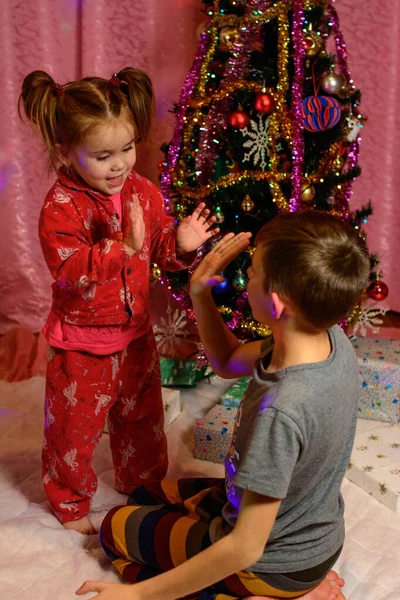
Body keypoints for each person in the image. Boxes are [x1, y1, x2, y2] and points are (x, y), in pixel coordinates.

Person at [77, 210, 369, 599]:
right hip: (310, 535)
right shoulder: (326, 338)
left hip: (271, 562)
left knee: (114, 529)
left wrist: (136, 596)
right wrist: (199, 291)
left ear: (277, 304)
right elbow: (228, 362)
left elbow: (245, 547)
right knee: (145, 496)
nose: (245, 278)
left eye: (253, 274)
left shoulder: (282, 410)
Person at [18, 68, 219, 534]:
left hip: (136, 336)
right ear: (64, 151)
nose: (119, 165)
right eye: (103, 155)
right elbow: (70, 270)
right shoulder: (60, 207)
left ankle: (144, 488)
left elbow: (159, 250)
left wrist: (181, 244)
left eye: (127, 149)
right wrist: (122, 246)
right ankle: (70, 505)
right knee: (74, 430)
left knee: (143, 422)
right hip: (82, 345)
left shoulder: (142, 192)